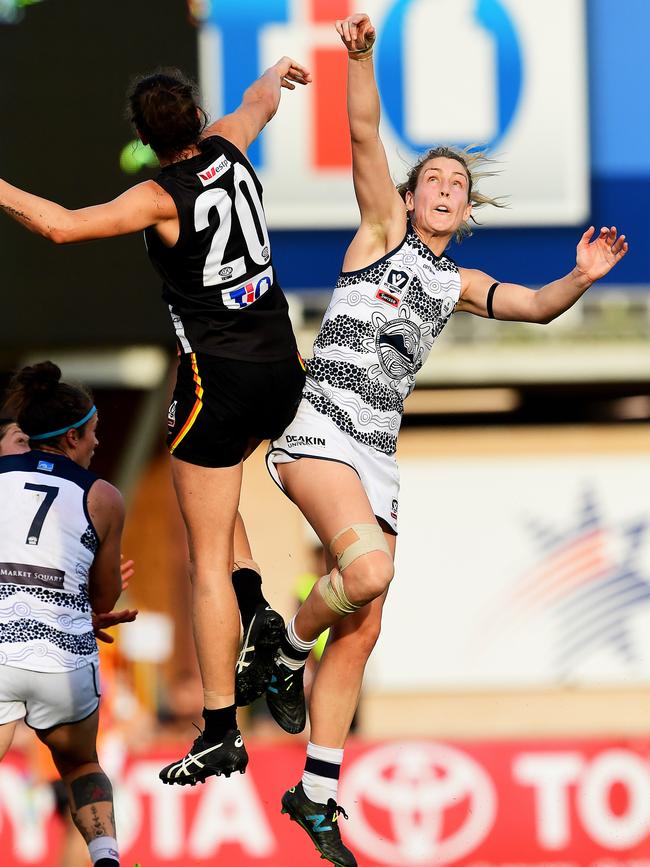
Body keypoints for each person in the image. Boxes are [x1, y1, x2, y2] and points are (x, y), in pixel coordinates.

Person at [262, 12, 629, 867]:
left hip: (376, 456)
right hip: (319, 432)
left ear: (465, 209)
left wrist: (579, 276)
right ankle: (278, 648)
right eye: (432, 178)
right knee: (369, 572)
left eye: (456, 186)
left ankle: (315, 791)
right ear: (410, 191)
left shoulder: (457, 280)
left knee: (363, 625)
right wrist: (362, 58)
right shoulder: (381, 233)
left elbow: (535, 307)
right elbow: (361, 132)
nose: (443, 190)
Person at [0, 58, 312, 784]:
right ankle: (261, 614)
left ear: (143, 137)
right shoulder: (233, 141)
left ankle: (218, 726)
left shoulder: (158, 196)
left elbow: (60, 227)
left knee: (202, 549)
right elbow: (259, 100)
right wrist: (273, 74)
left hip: (218, 376)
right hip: (282, 363)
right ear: (199, 119)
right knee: (223, 486)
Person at [0, 361, 127, 867]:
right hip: (64, 659)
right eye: (94, 433)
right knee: (80, 765)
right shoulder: (104, 497)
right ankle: (106, 858)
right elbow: (103, 601)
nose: (97, 443)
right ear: (72, 437)